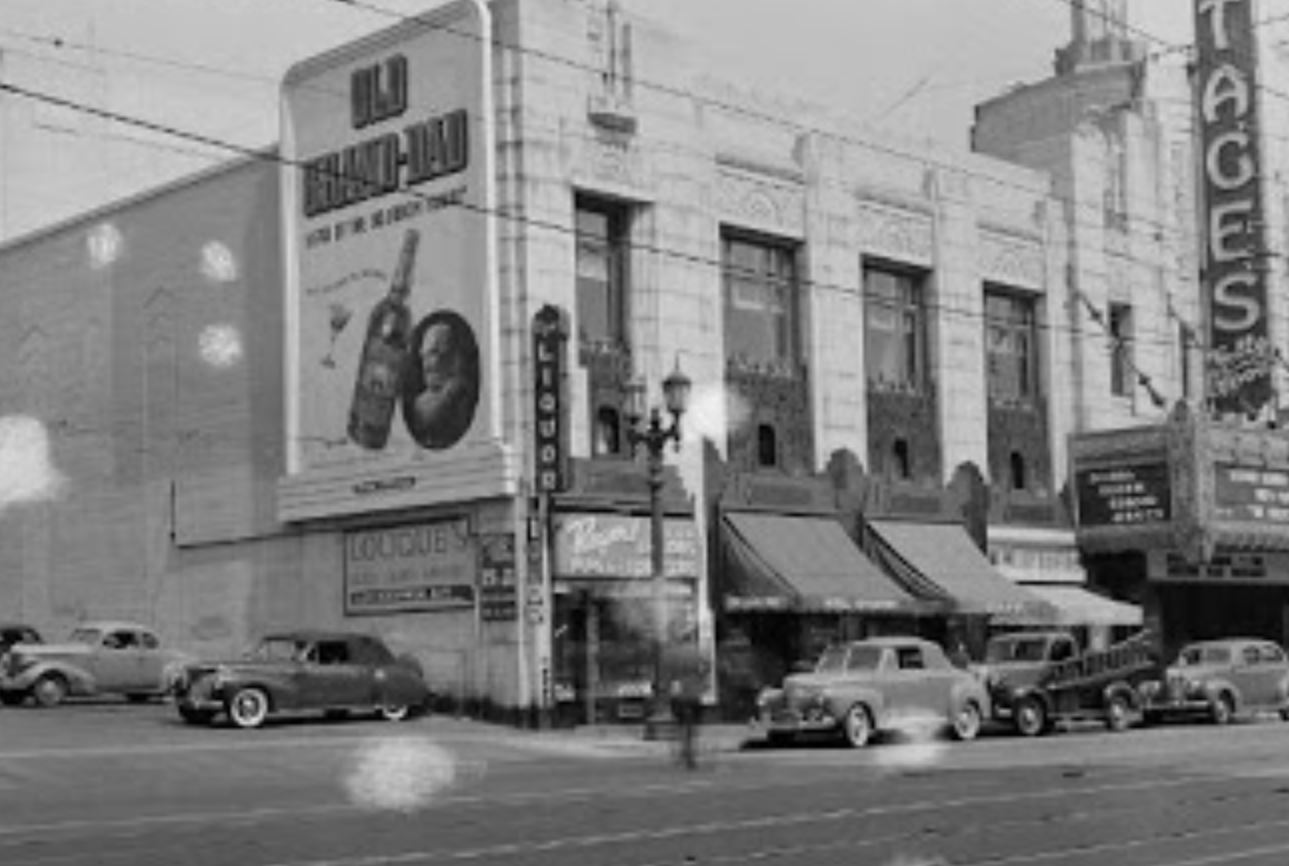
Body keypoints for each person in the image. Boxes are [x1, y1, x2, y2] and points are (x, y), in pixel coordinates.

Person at [402, 310, 480, 450]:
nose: (427, 364)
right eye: (424, 356)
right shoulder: (420, 403)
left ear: (454, 358)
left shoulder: (458, 394)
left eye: (434, 353)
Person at [663, 636, 709, 769]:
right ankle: (691, 753)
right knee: (693, 725)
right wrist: (701, 678)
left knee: (680, 724)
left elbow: (667, 673)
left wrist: (667, 688)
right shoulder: (697, 651)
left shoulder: (671, 653)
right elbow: (706, 666)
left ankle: (684, 751)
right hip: (694, 692)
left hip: (678, 692)